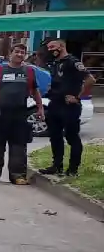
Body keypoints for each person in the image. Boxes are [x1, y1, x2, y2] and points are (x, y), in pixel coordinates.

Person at [0, 42, 43, 184]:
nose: (20, 54)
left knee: (19, 145)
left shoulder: (30, 72)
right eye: (17, 52)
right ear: (10, 54)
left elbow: (35, 91)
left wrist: (40, 108)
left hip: (19, 114)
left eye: (22, 52)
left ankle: (18, 175)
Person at [39, 38, 93, 177]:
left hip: (69, 106)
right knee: (55, 136)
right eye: (49, 48)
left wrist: (78, 97)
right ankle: (57, 166)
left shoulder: (73, 62)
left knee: (71, 137)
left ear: (62, 46)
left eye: (53, 47)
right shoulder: (56, 63)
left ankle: (73, 169)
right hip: (55, 103)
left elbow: (90, 79)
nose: (50, 50)